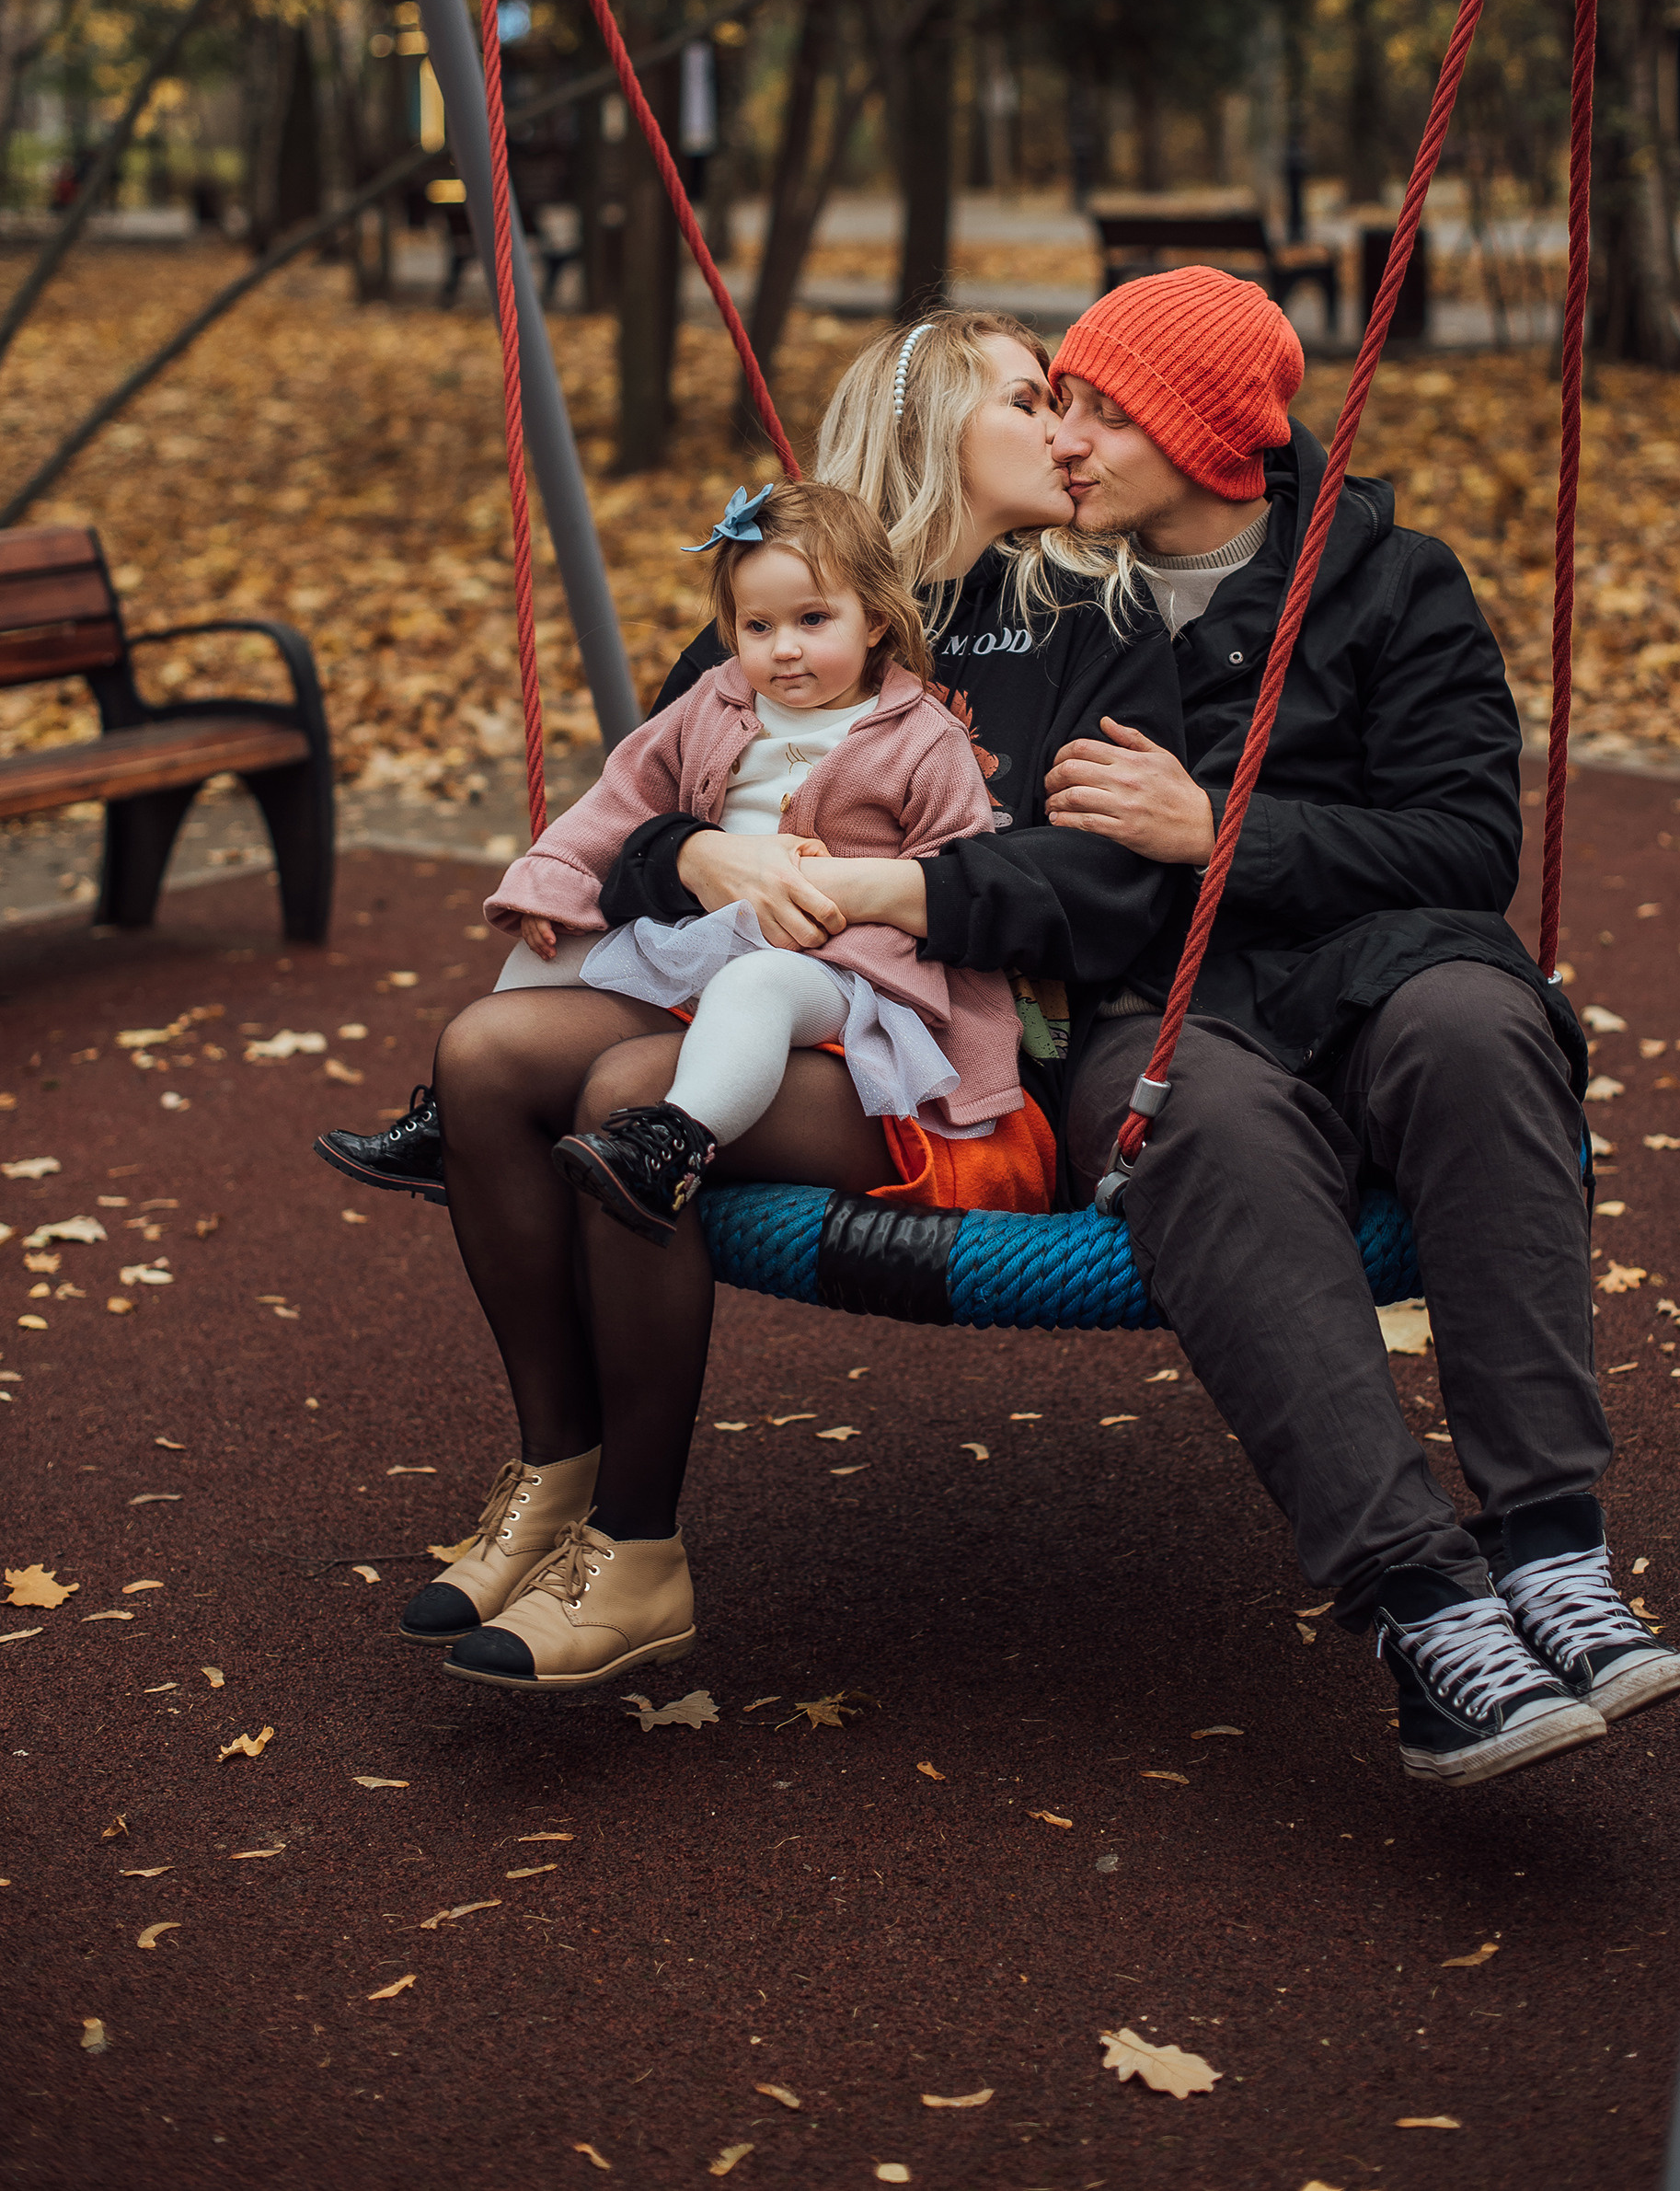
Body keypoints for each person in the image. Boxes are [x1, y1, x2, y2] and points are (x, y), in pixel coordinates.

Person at [334, 312, 1184, 1694]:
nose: (1066, 431)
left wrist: (868, 890)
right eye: (1030, 399)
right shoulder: (784, 606)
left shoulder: (1092, 625)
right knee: (482, 1052)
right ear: (930, 427)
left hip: (946, 1050)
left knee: (627, 1094)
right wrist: (699, 855)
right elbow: (641, 815)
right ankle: (555, 1469)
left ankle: (637, 1548)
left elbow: (1100, 894)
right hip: (749, 993)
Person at [1026, 264, 1680, 1786]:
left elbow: (1467, 844)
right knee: (1196, 1119)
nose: (1063, 440)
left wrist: (1220, 829)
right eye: (1058, 404)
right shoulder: (1044, 600)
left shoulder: (1394, 584)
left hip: (1386, 968)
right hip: (1162, 1000)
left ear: (1208, 432)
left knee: (1478, 1026)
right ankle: (1425, 1604)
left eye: (1102, 411)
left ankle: (1552, 1548)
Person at [486, 479, 1027, 1250]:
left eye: (813, 620)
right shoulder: (716, 701)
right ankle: (460, 1116)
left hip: (839, 971)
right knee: (551, 949)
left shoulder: (923, 739)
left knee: (756, 985)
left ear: (875, 619)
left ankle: (677, 1140)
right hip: (712, 929)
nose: (785, 648)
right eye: (758, 625)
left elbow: (952, 875)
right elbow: (622, 798)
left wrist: (952, 1014)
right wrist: (552, 882)